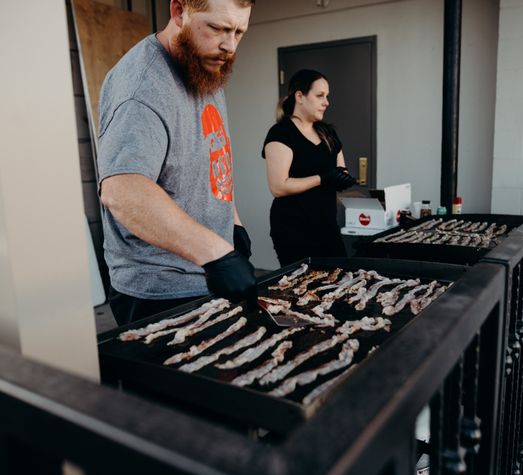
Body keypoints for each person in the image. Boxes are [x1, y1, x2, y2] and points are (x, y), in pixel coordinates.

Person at [98, 0, 257, 326]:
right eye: (218, 28)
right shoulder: (143, 87)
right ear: (179, 10)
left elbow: (210, 159)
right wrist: (216, 252)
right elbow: (122, 190)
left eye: (239, 31)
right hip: (159, 291)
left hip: (206, 273)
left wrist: (233, 223)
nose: (229, 45)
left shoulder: (204, 65)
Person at [262, 69, 357, 267]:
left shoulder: (327, 133)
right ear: (300, 96)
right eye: (320, 95)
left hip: (327, 225)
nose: (326, 102)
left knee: (338, 281)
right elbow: (279, 186)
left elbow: (340, 169)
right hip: (293, 228)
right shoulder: (281, 133)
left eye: (327, 96)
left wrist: (343, 178)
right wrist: (323, 178)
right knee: (304, 288)